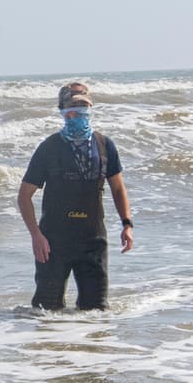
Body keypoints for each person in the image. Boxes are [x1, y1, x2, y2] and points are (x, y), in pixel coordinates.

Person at [17, 82, 133, 310]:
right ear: (62, 111)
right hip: (53, 242)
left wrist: (127, 224)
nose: (78, 115)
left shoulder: (104, 145)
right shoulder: (49, 148)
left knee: (97, 312)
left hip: (93, 241)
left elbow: (118, 188)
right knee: (45, 311)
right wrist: (36, 235)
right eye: (72, 110)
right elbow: (24, 196)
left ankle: (87, 346)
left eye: (83, 109)